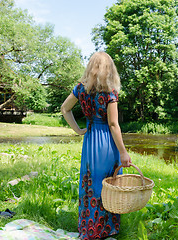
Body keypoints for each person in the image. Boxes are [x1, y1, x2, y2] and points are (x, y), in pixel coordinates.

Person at [61, 51, 132, 240]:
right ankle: (106, 229)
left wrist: (79, 130)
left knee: (89, 183)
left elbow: (65, 109)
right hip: (107, 143)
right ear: (109, 69)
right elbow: (113, 124)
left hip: (91, 139)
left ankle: (88, 228)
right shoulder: (110, 92)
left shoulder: (80, 89)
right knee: (108, 184)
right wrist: (124, 153)